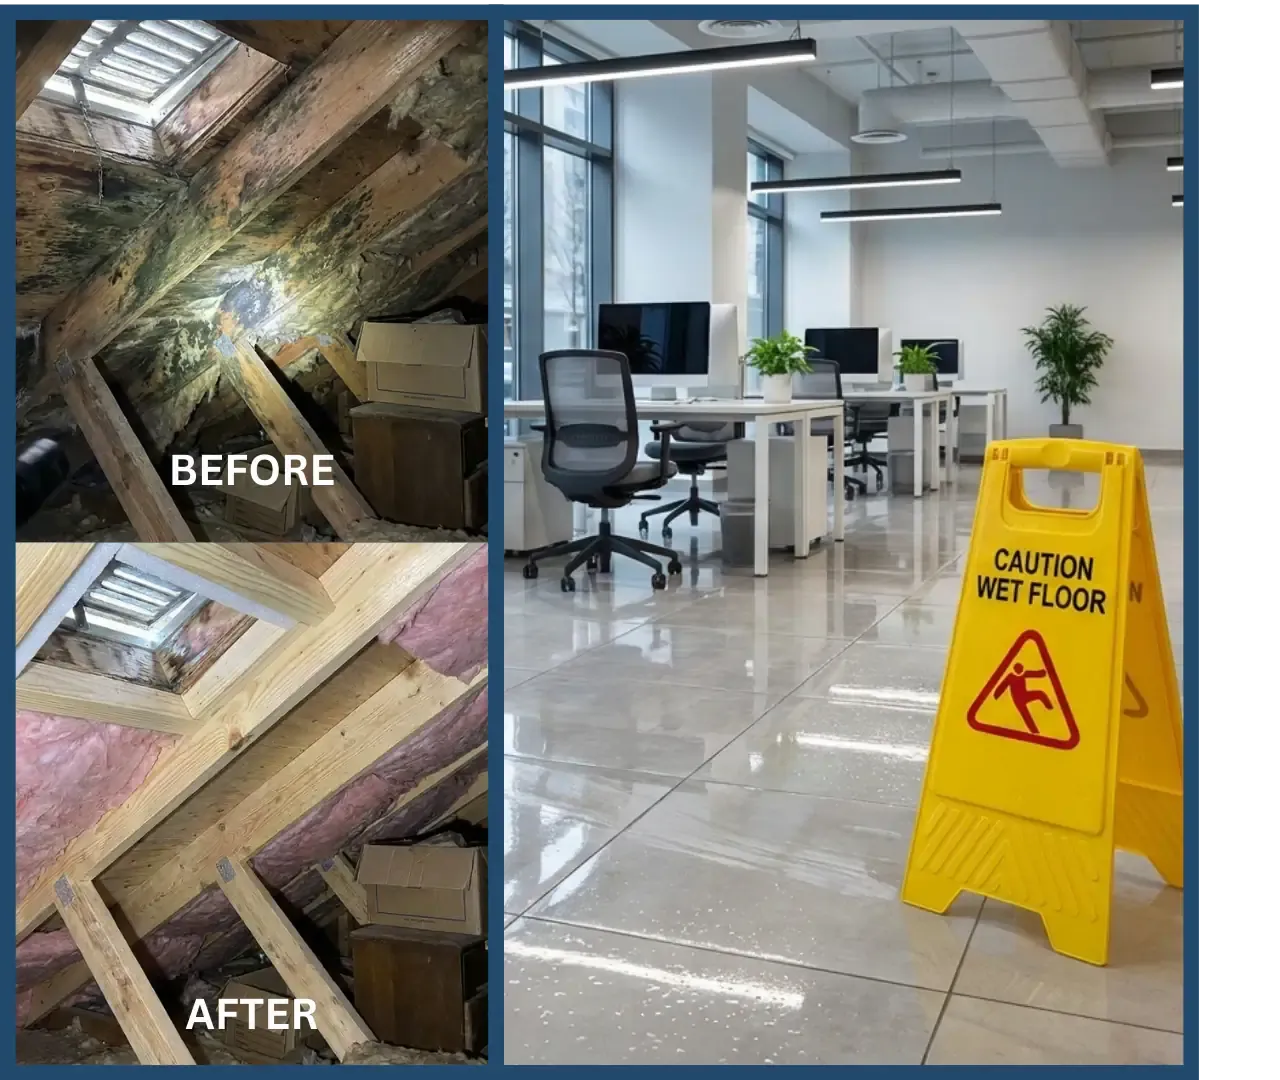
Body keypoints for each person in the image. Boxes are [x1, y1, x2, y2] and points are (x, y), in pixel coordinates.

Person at [994, 661, 1053, 734]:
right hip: (1018, 700)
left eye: (1021, 668)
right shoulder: (1010, 677)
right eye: (1018, 668)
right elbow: (1002, 686)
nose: (1020, 670)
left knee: (1040, 693)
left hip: (1025, 695)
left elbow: (1036, 674)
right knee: (1026, 715)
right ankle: (1034, 732)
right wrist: (996, 695)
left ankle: (1050, 707)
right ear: (1015, 669)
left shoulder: (1025, 674)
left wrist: (1044, 672)